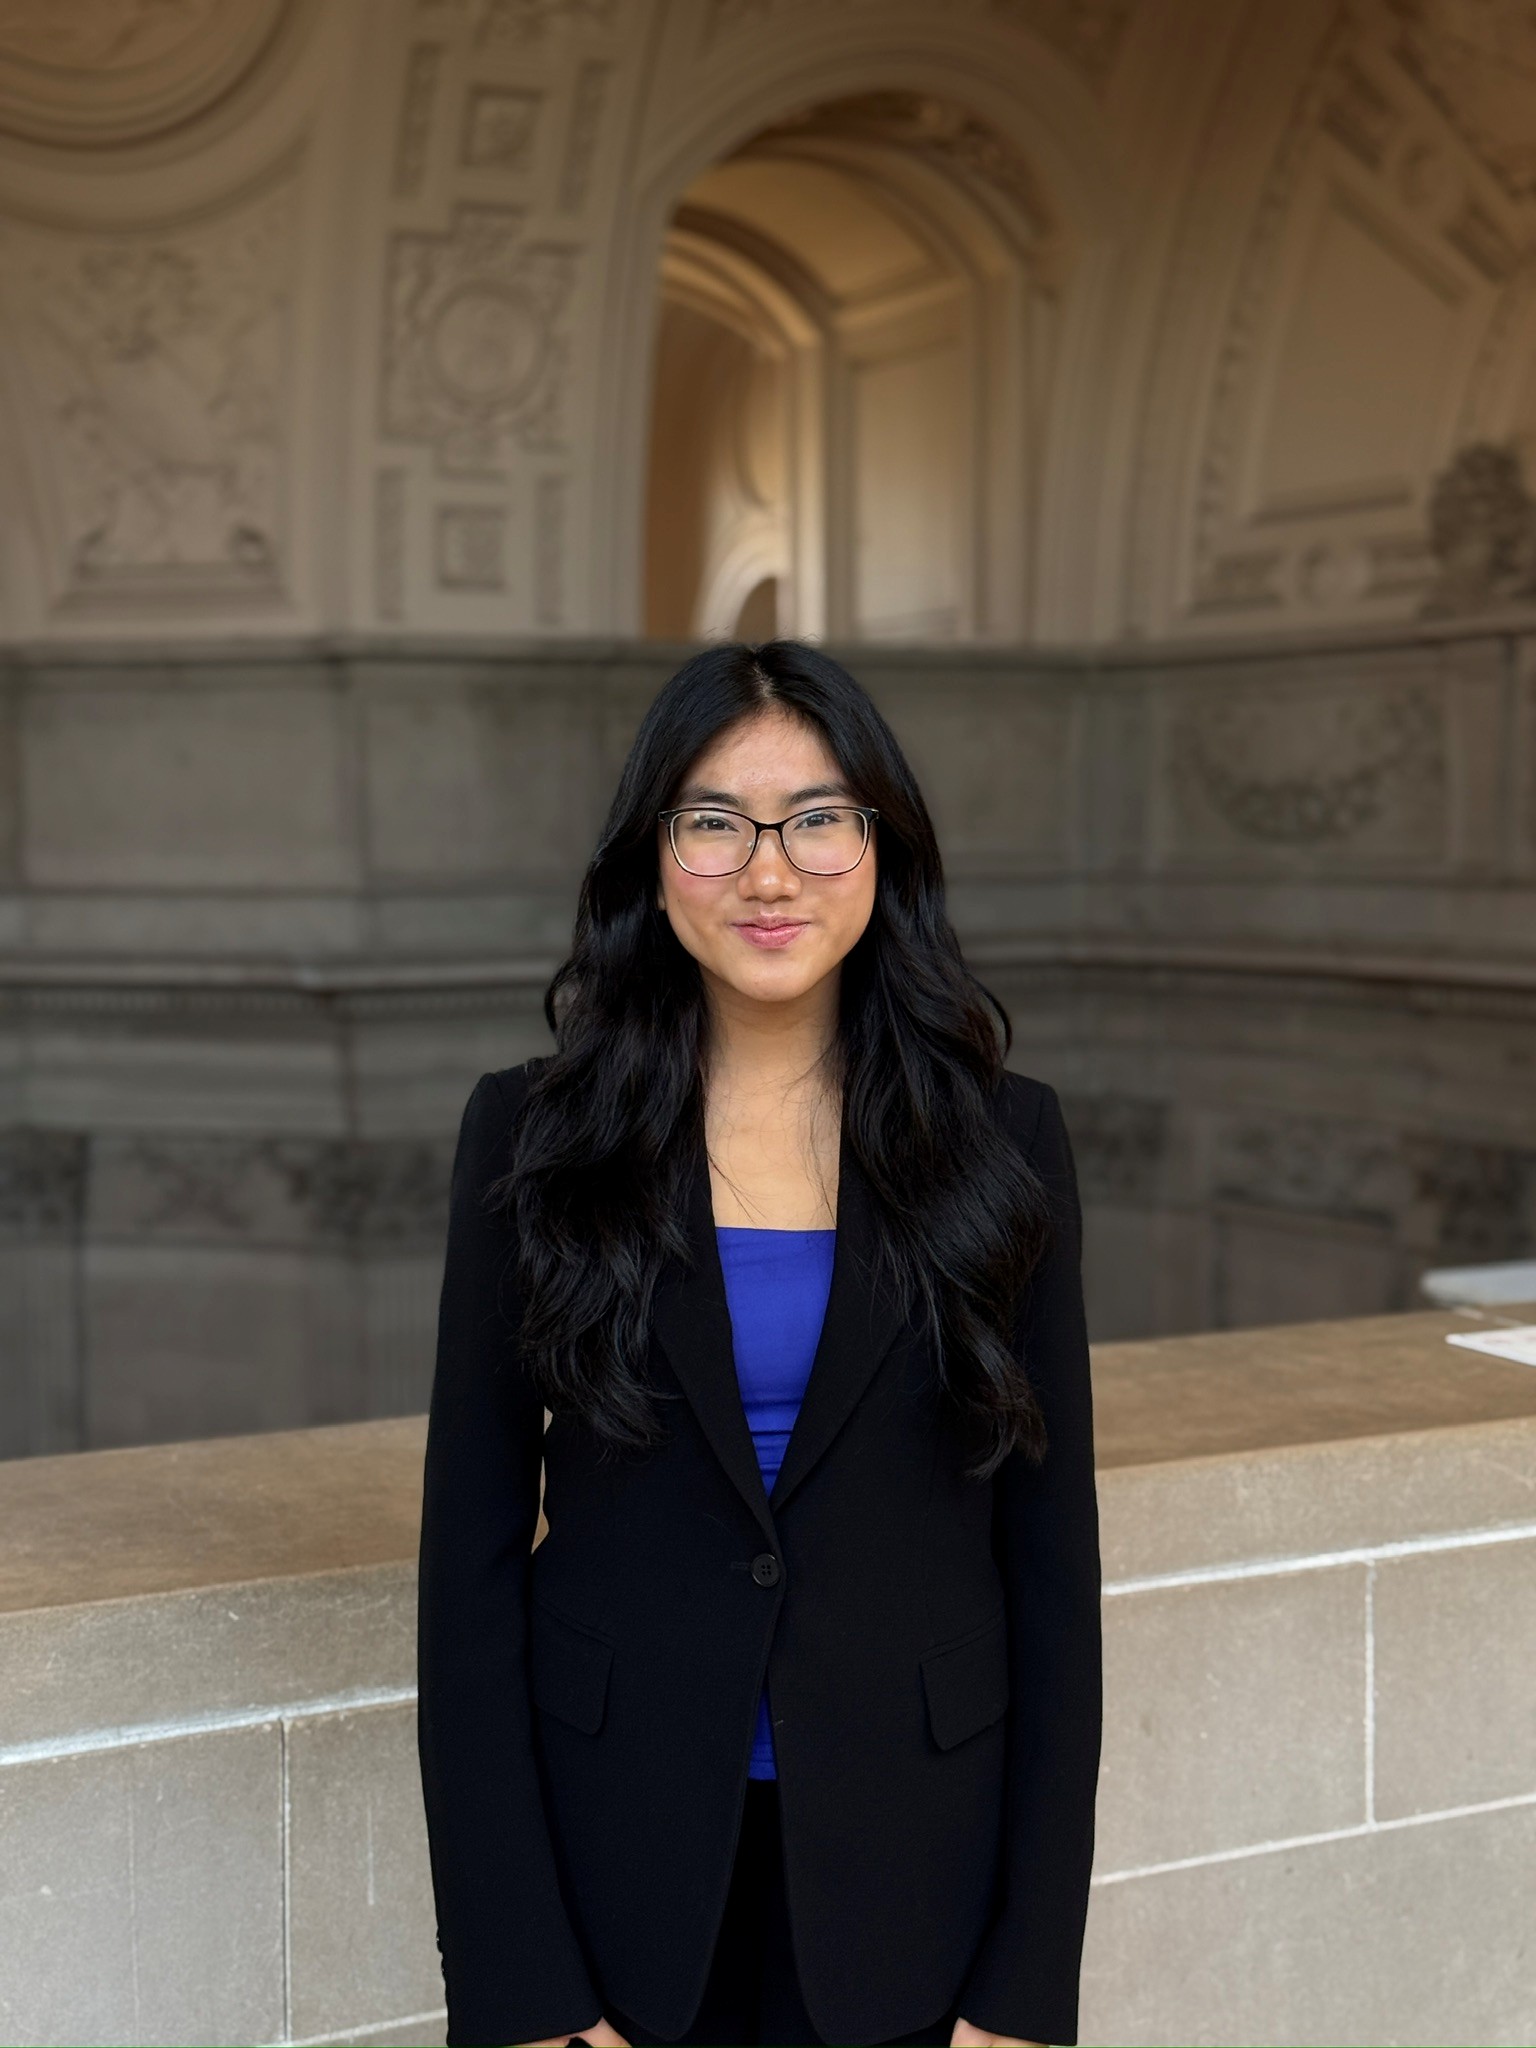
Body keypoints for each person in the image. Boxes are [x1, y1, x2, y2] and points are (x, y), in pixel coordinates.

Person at [416, 639, 1102, 2048]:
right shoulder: (534, 1138)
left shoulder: (1004, 1140)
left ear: (883, 848)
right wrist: (521, 1987)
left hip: (915, 1884)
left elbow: (1052, 1571)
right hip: (617, 1875)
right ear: (654, 855)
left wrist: (1029, 1988)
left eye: (817, 820)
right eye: (716, 822)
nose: (769, 873)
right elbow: (466, 1579)